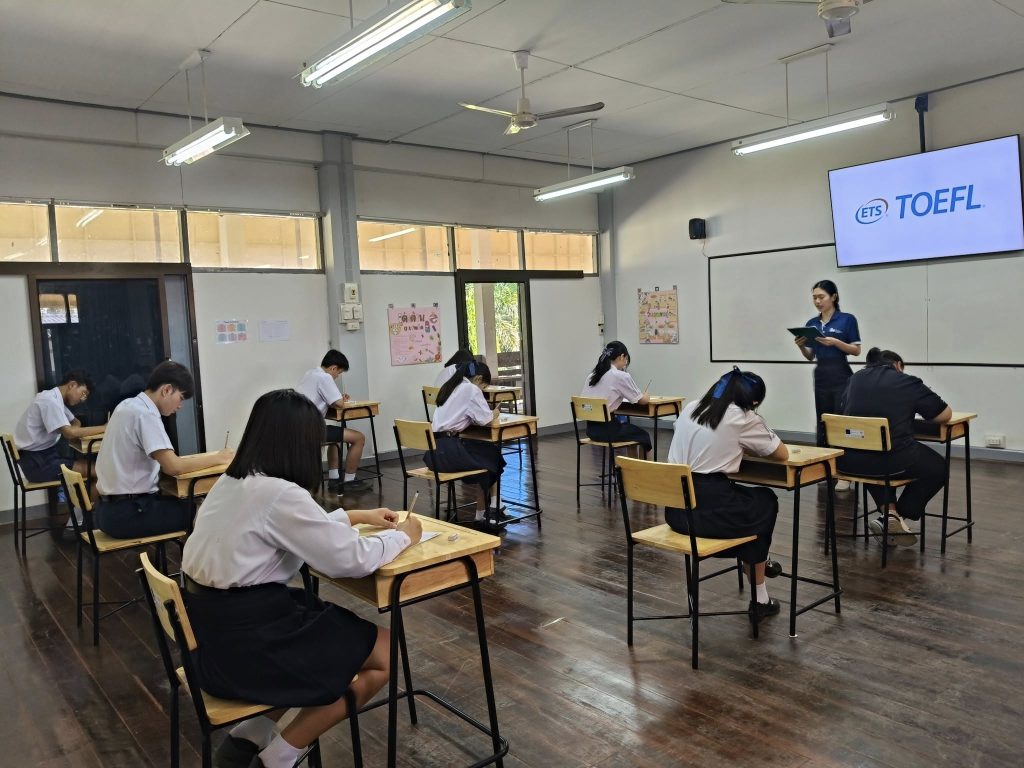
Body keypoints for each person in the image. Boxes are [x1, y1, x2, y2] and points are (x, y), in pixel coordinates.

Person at [181, 389, 422, 768]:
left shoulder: (231, 482)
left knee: (327, 632)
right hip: (249, 650)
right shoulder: (279, 494)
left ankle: (250, 735)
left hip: (214, 640)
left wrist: (357, 516)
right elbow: (351, 560)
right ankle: (280, 757)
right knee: (384, 654)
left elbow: (292, 528)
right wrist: (404, 537)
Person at [665, 367, 789, 618]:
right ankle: (760, 592)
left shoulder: (691, 408)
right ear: (753, 401)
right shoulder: (743, 417)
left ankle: (759, 564)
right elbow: (782, 454)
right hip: (709, 517)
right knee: (765, 502)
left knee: (748, 506)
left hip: (677, 512)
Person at [94, 361, 233, 539]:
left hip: (107, 511)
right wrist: (220, 457)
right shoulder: (146, 414)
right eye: (181, 398)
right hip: (129, 514)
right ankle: (195, 558)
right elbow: (174, 466)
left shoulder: (127, 405)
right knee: (207, 510)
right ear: (167, 390)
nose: (180, 406)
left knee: (192, 503)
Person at [838, 347, 951, 547]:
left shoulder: (854, 379)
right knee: (938, 468)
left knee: (872, 456)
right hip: (890, 459)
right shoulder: (906, 381)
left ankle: (889, 514)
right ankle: (897, 518)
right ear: (898, 365)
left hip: (849, 460)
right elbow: (944, 415)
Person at [794, 280, 862, 490]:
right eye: (814, 297)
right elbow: (810, 356)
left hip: (841, 374)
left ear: (833, 297)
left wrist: (836, 342)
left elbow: (856, 350)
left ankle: (845, 473)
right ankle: (823, 469)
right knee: (822, 422)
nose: (817, 301)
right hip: (821, 375)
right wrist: (801, 346)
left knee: (840, 423)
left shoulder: (847, 319)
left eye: (821, 297)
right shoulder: (812, 323)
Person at [427, 360, 507, 529]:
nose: (482, 391)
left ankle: (487, 510)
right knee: (492, 456)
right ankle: (490, 510)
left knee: (487, 454)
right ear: (478, 379)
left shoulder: (451, 386)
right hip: (449, 453)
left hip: (435, 453)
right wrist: (495, 412)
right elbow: (485, 419)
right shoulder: (470, 389)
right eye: (483, 387)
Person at [13, 369, 104, 497]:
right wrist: (105, 428)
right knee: (99, 471)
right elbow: (69, 433)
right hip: (38, 464)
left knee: (93, 467)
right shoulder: (49, 401)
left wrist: (73, 431)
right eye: (83, 393)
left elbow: (75, 422)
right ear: (72, 385)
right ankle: (83, 508)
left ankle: (81, 507)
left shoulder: (54, 399)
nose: (83, 399)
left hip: (41, 458)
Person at [296, 350, 371, 494]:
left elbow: (326, 398)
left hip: (298, 427)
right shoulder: (325, 377)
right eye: (339, 373)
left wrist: (338, 398)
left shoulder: (310, 374)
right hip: (311, 429)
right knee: (359, 438)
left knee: (336, 438)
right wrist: (340, 399)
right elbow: (340, 404)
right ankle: (349, 480)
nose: (337, 376)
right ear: (333, 368)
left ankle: (334, 477)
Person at [579, 341, 652, 458]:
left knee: (632, 433)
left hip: (591, 430)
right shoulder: (620, 376)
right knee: (644, 436)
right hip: (609, 431)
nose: (625, 364)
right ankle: (643, 469)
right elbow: (642, 401)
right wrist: (646, 395)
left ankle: (631, 468)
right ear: (621, 356)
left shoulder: (592, 375)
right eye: (626, 360)